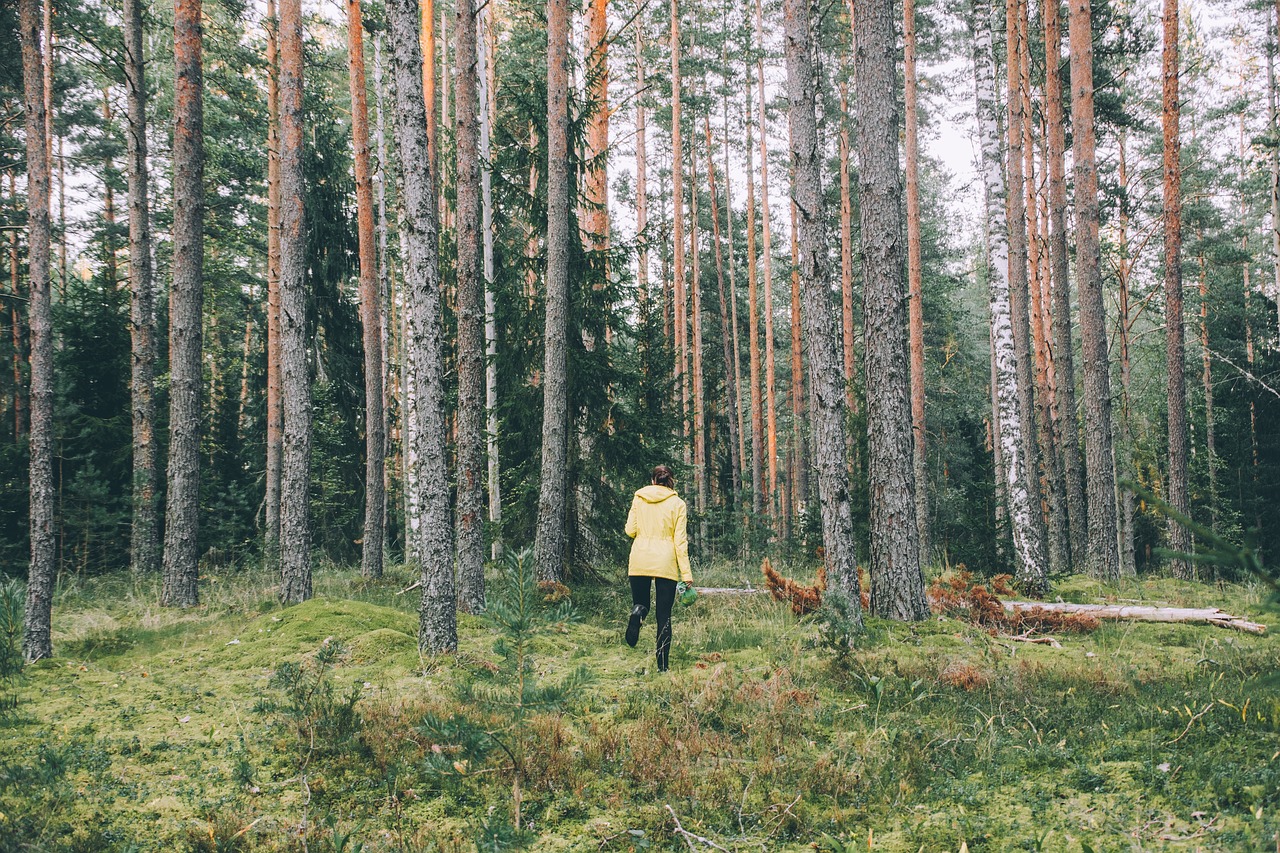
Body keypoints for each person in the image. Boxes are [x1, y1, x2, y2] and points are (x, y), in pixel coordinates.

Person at [623, 464, 693, 672]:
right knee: (664, 616)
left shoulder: (639, 497)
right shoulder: (678, 504)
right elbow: (680, 542)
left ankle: (637, 612)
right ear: (671, 480)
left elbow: (630, 530)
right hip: (665, 561)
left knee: (642, 602)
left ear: (653, 480)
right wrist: (686, 574)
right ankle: (662, 667)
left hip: (640, 559)